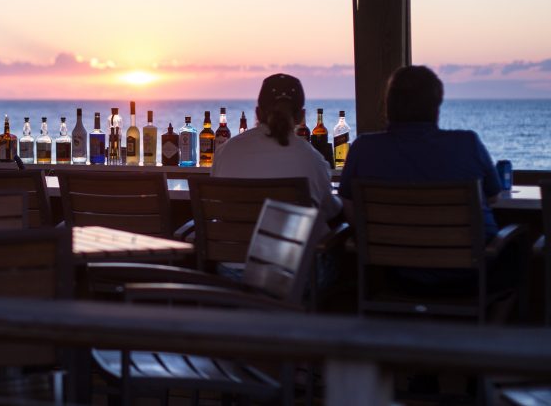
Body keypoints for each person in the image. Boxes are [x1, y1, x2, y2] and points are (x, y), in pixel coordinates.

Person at [337, 65, 503, 290]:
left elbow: (349, 206)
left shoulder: (363, 149)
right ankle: (495, 318)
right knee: (518, 246)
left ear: (389, 105)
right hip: (469, 273)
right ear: (436, 105)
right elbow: (494, 197)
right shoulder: (467, 144)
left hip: (393, 272)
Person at [211, 73, 342, 231]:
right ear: (301, 117)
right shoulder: (311, 158)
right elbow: (330, 210)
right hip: (288, 254)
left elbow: (216, 203)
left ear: (258, 113)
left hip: (229, 253)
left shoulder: (225, 151)